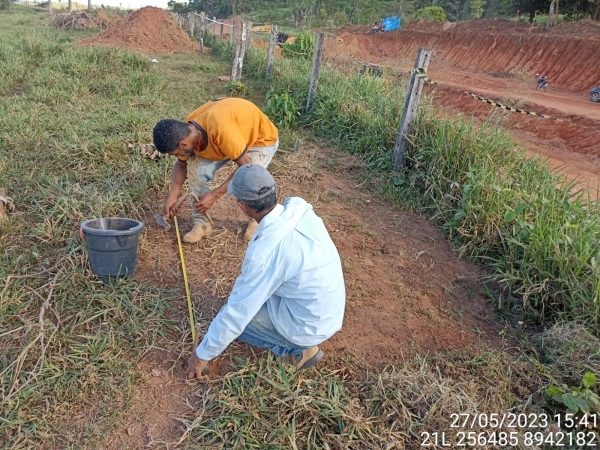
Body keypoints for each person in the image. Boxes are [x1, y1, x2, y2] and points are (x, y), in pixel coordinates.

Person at [185, 164, 346, 378]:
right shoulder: (299, 209)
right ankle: (301, 342)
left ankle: (299, 349)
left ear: (242, 205)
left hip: (307, 325)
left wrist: (201, 355)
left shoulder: (266, 253)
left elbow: (235, 316)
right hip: (325, 311)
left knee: (238, 323)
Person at [152, 98, 279, 243]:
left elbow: (246, 167)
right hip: (231, 140)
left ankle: (257, 220)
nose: (177, 156)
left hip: (260, 140)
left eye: (175, 153)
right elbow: (181, 165)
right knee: (196, 169)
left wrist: (214, 195)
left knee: (250, 179)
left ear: (184, 143)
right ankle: (202, 224)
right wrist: (173, 196)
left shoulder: (221, 130)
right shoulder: (187, 128)